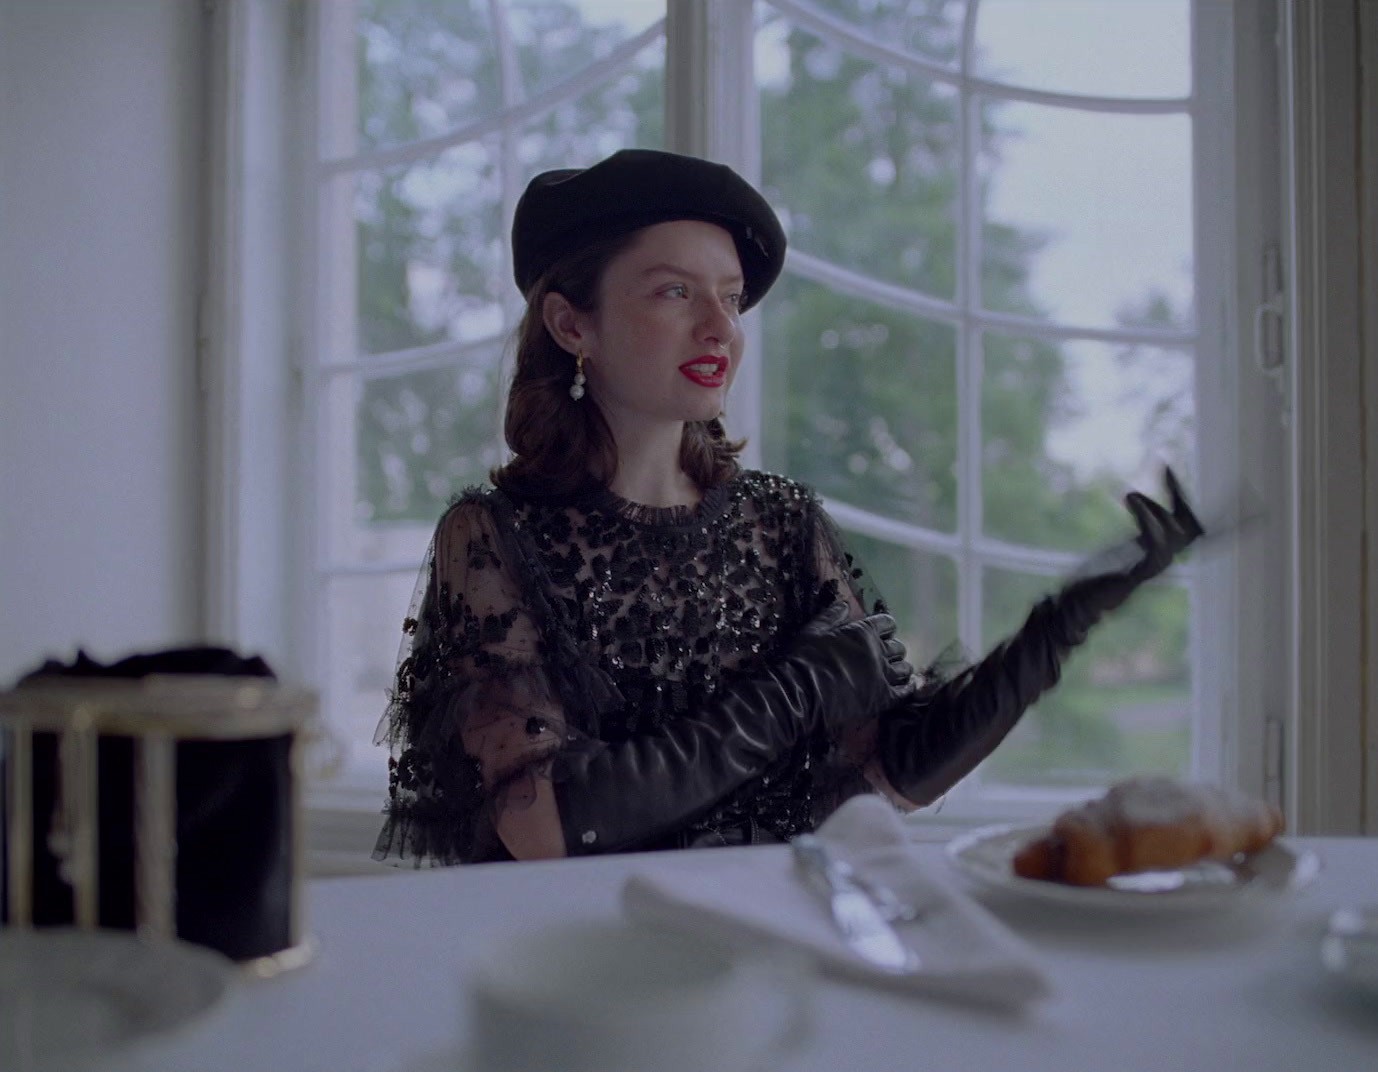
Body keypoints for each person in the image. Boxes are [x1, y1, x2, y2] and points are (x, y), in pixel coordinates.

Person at [373, 148, 1203, 866]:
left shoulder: (781, 523)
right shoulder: (494, 537)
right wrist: (796, 691)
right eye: (673, 292)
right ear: (569, 323)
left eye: (730, 298)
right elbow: (544, 822)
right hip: (597, 959)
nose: (719, 329)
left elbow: (892, 769)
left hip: (779, 926)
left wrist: (1058, 628)